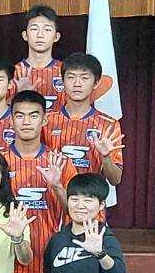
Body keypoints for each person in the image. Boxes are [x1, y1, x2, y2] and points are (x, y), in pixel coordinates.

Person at [4, 90, 69, 273]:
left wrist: (57, 186)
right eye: (20, 115)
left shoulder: (59, 162)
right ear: (11, 120)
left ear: (44, 120)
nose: (26, 122)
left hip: (49, 259)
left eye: (33, 115)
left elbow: (73, 211)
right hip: (7, 261)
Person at [43, 174, 127, 273]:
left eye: (88, 200)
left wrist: (100, 254)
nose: (80, 206)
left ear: (101, 205)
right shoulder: (57, 239)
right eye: (74, 199)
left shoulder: (105, 238)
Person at [47, 52, 125, 186]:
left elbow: (115, 179)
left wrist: (106, 157)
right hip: (53, 197)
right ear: (62, 81)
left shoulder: (109, 124)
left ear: (96, 83)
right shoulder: (46, 121)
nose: (77, 84)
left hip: (91, 197)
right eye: (71, 77)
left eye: (84, 78)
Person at [16, 5, 65, 104]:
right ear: (25, 35)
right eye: (34, 29)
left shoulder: (66, 72)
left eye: (47, 30)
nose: (40, 35)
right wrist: (19, 95)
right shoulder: (13, 73)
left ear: (56, 37)